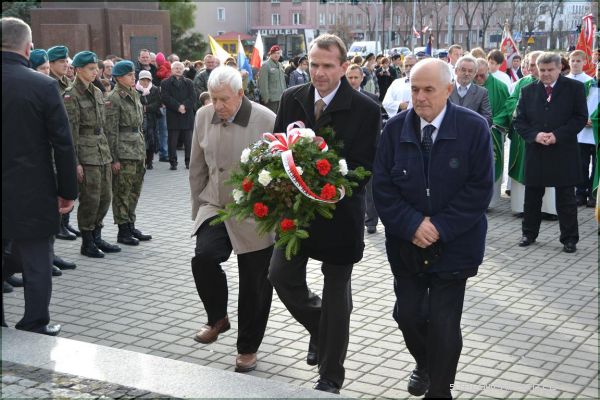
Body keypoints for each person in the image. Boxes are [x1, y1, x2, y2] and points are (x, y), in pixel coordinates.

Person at [373, 58, 494, 398]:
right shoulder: (395, 129)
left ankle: (441, 389)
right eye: (414, 89)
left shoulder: (473, 128)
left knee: (443, 325)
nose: (420, 97)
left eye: (428, 89)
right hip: (407, 244)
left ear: (448, 89)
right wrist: (412, 224)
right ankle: (426, 364)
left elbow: (479, 189)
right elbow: (383, 187)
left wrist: (438, 226)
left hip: (455, 245)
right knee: (408, 316)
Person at [268, 34, 380, 394]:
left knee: (337, 298)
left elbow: (364, 167)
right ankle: (320, 328)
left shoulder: (366, 108)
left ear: (344, 67)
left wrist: (330, 181)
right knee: (280, 275)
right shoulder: (292, 98)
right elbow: (278, 148)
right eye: (314, 64)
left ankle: (331, 375)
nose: (319, 72)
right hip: (296, 214)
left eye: (328, 66)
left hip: (339, 215)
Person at [189, 65, 276, 373]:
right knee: (204, 257)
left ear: (241, 94)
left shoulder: (266, 120)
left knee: (255, 282)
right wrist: (197, 212)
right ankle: (217, 318)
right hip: (215, 203)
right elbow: (197, 168)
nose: (218, 105)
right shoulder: (203, 116)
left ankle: (248, 348)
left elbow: (278, 172)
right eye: (214, 98)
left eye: (224, 99)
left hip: (254, 211)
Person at [2, 17, 78, 334]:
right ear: (28, 48)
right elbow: (63, 144)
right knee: (36, 258)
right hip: (32, 189)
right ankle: (34, 322)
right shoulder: (43, 85)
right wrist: (68, 191)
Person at [514, 52, 588, 253]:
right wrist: (535, 135)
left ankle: (569, 239)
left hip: (563, 151)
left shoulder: (575, 88)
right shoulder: (528, 91)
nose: (545, 74)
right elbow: (519, 120)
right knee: (532, 196)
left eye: (550, 70)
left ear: (559, 68)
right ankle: (528, 233)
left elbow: (580, 117)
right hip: (536, 150)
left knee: (566, 198)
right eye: (542, 70)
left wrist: (557, 135)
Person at [63, 51, 121, 258]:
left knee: (105, 196)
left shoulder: (97, 91)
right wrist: (75, 162)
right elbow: (70, 131)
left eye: (96, 68)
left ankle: (97, 236)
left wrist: (111, 154)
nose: (95, 71)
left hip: (101, 150)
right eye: (90, 68)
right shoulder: (71, 95)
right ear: (78, 70)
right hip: (85, 153)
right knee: (90, 198)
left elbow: (104, 125)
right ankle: (87, 241)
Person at [500, 51, 558, 219]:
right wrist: (520, 108)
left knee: (549, 169)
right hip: (524, 135)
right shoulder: (521, 84)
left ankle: (548, 209)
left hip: (548, 134)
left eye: (535, 65)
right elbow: (510, 102)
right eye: (530, 65)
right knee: (523, 168)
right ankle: (522, 207)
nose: (532, 68)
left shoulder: (556, 84)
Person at [105, 60, 152, 246]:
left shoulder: (134, 94)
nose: (134, 77)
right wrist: (114, 158)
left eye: (134, 74)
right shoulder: (114, 98)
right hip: (123, 152)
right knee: (122, 191)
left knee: (134, 190)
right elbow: (110, 130)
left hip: (137, 149)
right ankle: (123, 230)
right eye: (129, 75)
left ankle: (131, 224)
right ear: (118, 78)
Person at [47, 45, 80, 240]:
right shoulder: (48, 84)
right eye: (61, 61)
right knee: (57, 183)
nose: (66, 64)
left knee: (66, 181)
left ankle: (65, 223)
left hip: (67, 138)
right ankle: (57, 226)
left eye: (66, 61)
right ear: (50, 64)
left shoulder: (66, 82)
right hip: (54, 143)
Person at [474, 58, 510, 209]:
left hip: (493, 131)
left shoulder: (500, 87)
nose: (479, 78)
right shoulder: (469, 86)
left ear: (488, 71)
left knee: (492, 165)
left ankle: (490, 201)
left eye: (482, 75)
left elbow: (506, 108)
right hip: (472, 134)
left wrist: (493, 122)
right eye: (476, 75)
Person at [566, 50, 595, 206]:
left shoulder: (591, 82)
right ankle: (580, 192)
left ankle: (592, 193)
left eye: (579, 61)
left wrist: (592, 119)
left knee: (595, 164)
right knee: (581, 164)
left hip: (594, 128)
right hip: (577, 130)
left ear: (585, 62)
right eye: (573, 60)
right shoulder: (564, 81)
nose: (575, 63)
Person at [161, 61, 196, 170]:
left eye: (180, 68)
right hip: (173, 115)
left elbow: (193, 97)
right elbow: (165, 97)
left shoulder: (189, 82)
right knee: (172, 141)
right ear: (172, 70)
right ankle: (173, 162)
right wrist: (178, 106)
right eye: (176, 68)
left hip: (187, 114)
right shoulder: (165, 83)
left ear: (183, 70)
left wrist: (184, 106)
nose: (178, 70)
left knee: (188, 141)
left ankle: (189, 162)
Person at [449, 55, 492, 127]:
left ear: (475, 73)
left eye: (470, 71)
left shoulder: (482, 92)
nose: (466, 73)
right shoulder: (445, 89)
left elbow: (487, 118)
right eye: (463, 70)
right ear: (456, 71)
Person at [136, 70, 161, 170]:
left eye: (147, 80)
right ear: (139, 80)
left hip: (151, 118)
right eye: (143, 80)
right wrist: (142, 108)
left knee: (151, 140)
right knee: (141, 140)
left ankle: (150, 161)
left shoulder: (155, 89)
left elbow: (157, 103)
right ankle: (143, 160)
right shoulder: (135, 89)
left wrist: (146, 108)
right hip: (139, 118)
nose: (145, 82)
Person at [258, 45, 286, 113]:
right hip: (271, 100)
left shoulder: (280, 65)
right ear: (270, 54)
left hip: (281, 98)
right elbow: (263, 83)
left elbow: (283, 81)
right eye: (274, 53)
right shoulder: (266, 65)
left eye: (278, 53)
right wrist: (266, 98)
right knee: (272, 118)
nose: (276, 55)